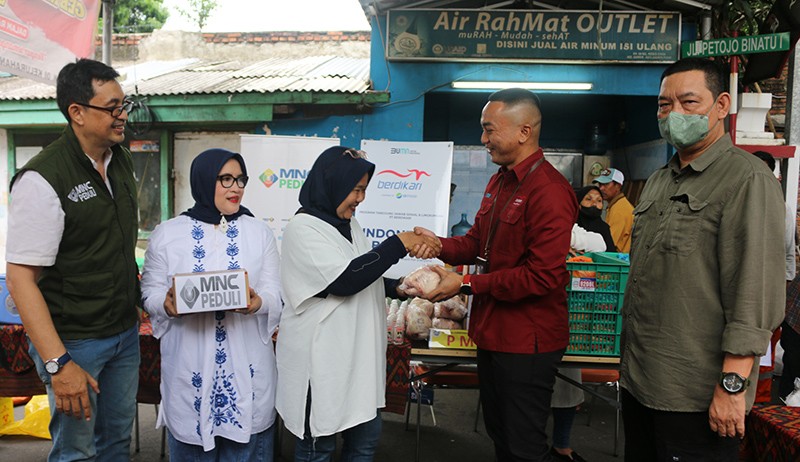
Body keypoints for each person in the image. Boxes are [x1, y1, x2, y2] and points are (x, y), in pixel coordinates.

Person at [619, 57, 785, 461]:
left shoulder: (747, 179)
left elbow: (754, 295)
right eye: (664, 104)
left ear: (722, 105)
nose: (674, 113)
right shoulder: (659, 180)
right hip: (641, 384)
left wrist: (732, 388)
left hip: (696, 397)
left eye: (689, 102)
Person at [417, 88, 578, 462]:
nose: (483, 139)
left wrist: (466, 283)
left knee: (524, 446)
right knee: (502, 436)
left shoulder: (550, 191)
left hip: (527, 341)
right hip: (493, 333)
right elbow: (478, 243)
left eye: (489, 129)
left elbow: (542, 276)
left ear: (524, 132)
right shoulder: (500, 181)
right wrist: (437, 245)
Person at [5, 58, 140, 461]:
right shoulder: (42, 179)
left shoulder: (120, 159)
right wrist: (58, 363)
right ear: (77, 113)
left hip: (124, 333)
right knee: (76, 453)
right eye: (112, 107)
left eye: (124, 104)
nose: (122, 115)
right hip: (75, 341)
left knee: (116, 445)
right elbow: (20, 279)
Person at [275, 146, 440, 461]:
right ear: (333, 184)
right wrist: (400, 243)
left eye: (364, 189)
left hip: (359, 361)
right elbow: (343, 280)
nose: (361, 198)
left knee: (364, 445)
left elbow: (361, 271)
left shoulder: (349, 225)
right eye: (356, 189)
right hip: (321, 363)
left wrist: (398, 287)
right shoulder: (302, 228)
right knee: (319, 449)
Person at [141, 148, 282, 459]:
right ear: (204, 180)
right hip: (189, 367)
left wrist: (258, 302)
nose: (236, 188)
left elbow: (276, 293)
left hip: (248, 370)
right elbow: (149, 292)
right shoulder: (168, 234)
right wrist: (165, 304)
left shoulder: (259, 233)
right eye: (226, 179)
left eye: (240, 179)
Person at [551, 185, 614, 462]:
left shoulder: (576, 229)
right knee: (529, 392)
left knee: (567, 382)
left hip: (572, 316)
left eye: (598, 200)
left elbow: (601, 244)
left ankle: (561, 445)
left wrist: (568, 238)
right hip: (533, 316)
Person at [751, 150, 800, 400]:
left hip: (770, 293)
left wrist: (783, 292)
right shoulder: (735, 202)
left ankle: (761, 403)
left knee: (765, 352)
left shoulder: (782, 210)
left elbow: (789, 254)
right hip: (741, 290)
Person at [592, 168, 633, 253]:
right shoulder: (617, 205)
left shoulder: (620, 210)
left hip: (619, 259)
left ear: (618, 186)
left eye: (606, 184)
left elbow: (609, 244)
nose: (601, 188)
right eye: (600, 184)